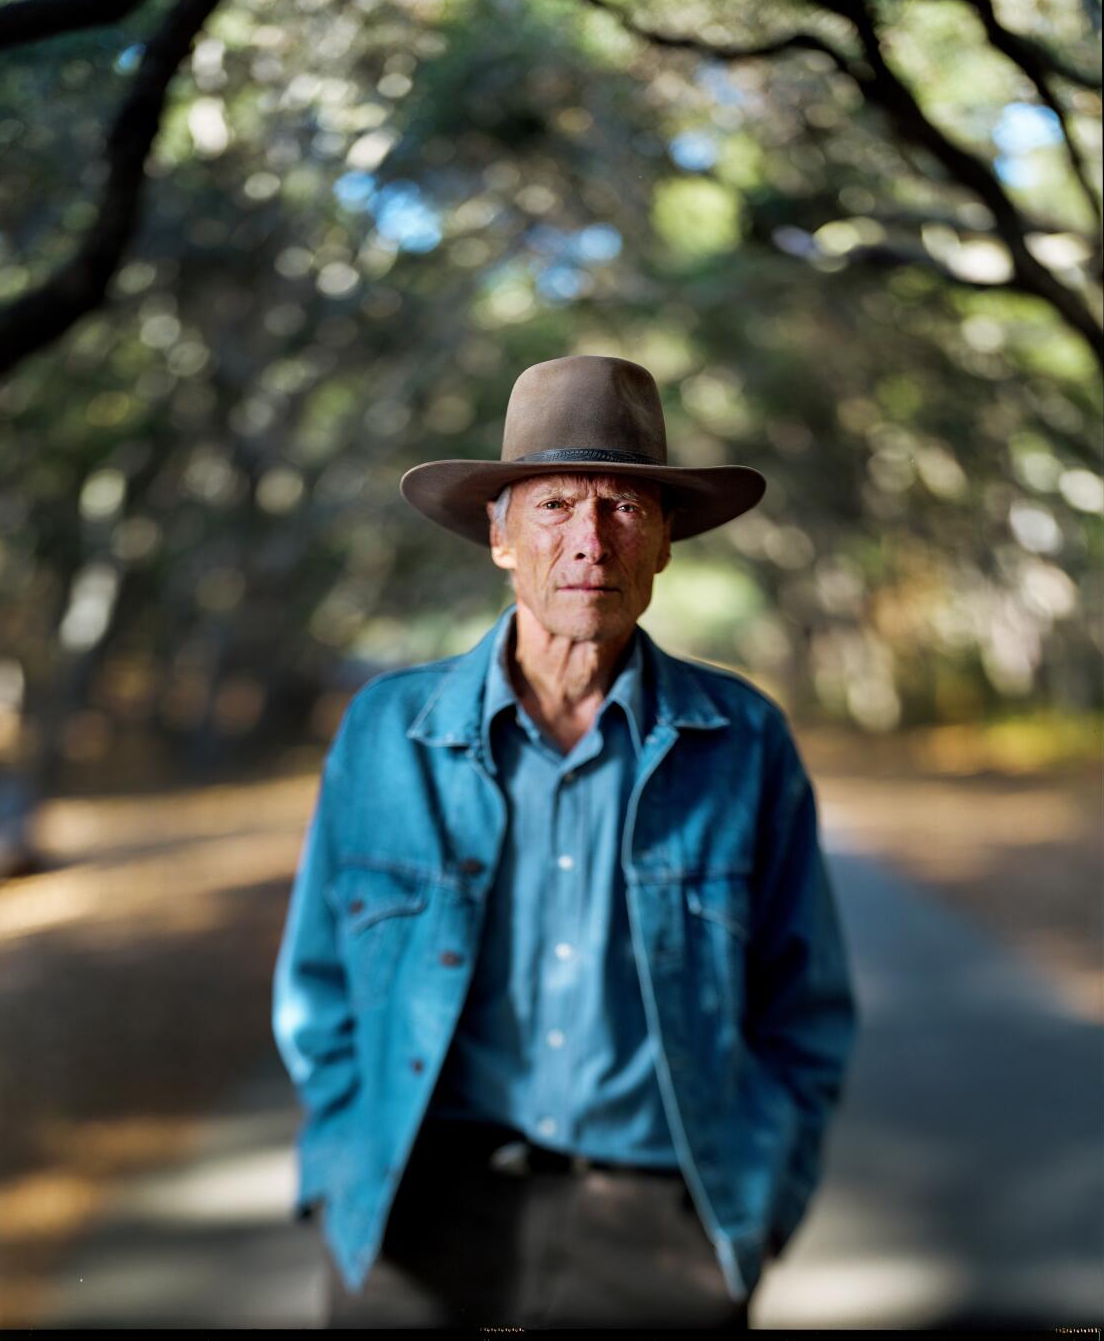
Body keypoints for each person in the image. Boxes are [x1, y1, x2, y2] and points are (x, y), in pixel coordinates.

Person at [273, 354, 856, 1329]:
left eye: (625, 506)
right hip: (417, 1209)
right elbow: (318, 980)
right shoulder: (387, 729)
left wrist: (765, 1196)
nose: (590, 539)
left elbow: (807, 1003)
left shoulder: (744, 739)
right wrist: (342, 1156)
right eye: (553, 505)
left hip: (662, 1225)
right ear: (499, 535)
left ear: (666, 540)